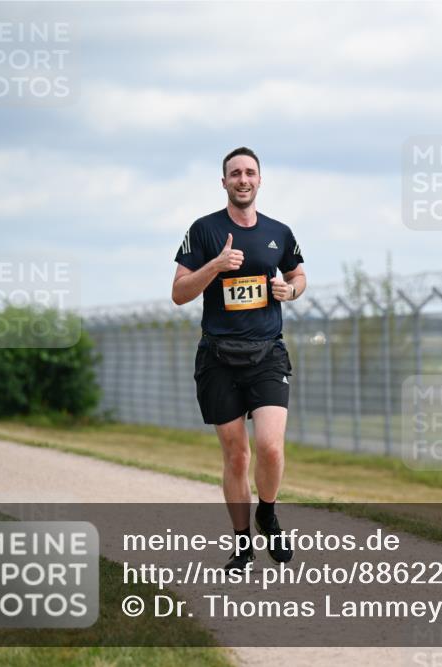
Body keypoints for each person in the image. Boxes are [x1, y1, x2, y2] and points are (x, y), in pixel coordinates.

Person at [172, 147, 305, 570]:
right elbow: (179, 293)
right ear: (224, 182)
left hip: (267, 352)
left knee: (268, 446)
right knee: (237, 456)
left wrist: (292, 290)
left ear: (260, 180)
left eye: (250, 173)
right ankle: (243, 542)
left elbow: (298, 275)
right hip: (218, 357)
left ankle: (267, 511)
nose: (242, 179)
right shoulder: (204, 230)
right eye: (235, 174)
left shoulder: (279, 232)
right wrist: (215, 265)